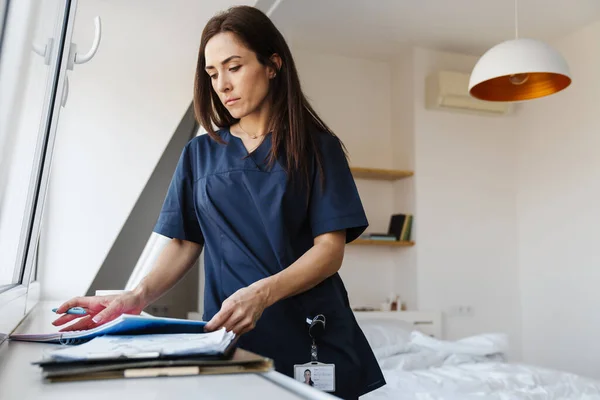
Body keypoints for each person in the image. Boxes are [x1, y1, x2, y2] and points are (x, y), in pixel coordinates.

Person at [52, 5, 385, 399]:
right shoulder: (199, 154)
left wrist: (261, 294)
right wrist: (133, 297)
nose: (222, 84)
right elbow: (182, 242)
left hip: (312, 333)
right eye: (212, 74)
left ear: (272, 64)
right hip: (232, 339)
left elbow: (329, 251)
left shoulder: (318, 149)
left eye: (234, 67)